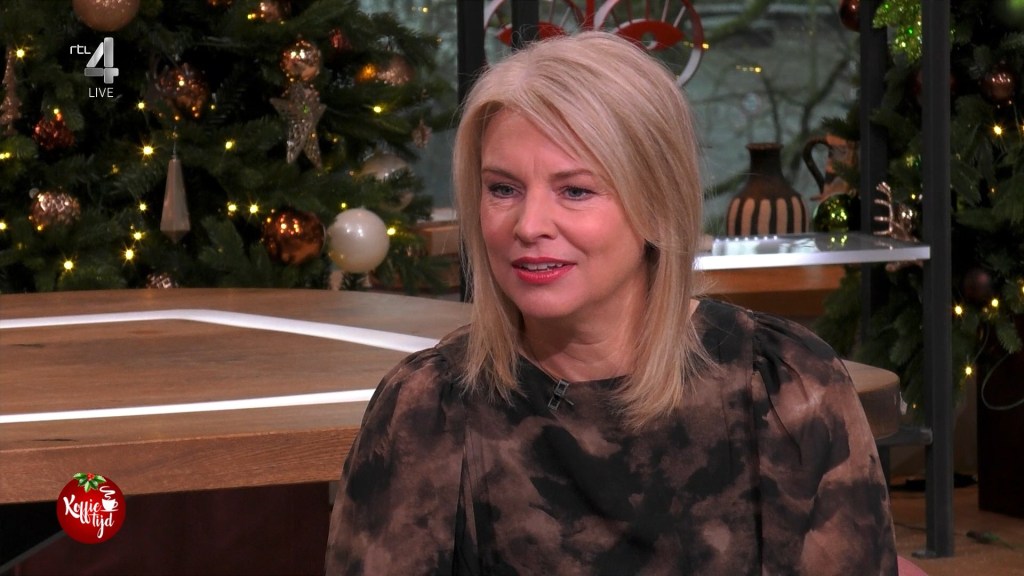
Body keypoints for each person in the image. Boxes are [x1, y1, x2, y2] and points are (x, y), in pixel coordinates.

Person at [325, 31, 897, 575]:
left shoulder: (782, 387)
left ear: (656, 204)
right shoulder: (428, 409)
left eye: (575, 190)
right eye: (503, 189)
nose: (529, 225)